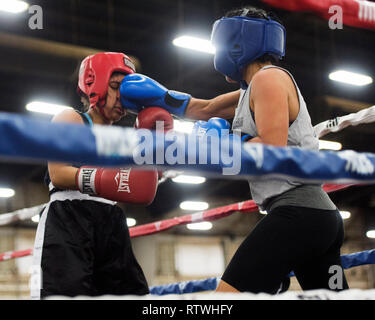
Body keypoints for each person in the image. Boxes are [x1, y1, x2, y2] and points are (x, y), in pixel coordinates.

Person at [119, 6, 349, 294]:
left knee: (225, 299)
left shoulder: (268, 79)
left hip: (299, 214)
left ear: (237, 44)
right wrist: (159, 97)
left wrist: (222, 142)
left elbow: (271, 148)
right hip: (315, 217)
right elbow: (202, 109)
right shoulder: (252, 88)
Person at [31, 52, 174, 299]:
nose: (121, 97)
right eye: (115, 86)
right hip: (68, 218)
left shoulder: (126, 140)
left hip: (112, 223)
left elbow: (144, 188)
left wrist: (155, 148)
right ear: (94, 83)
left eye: (127, 91)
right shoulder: (71, 118)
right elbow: (59, 173)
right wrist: (110, 177)